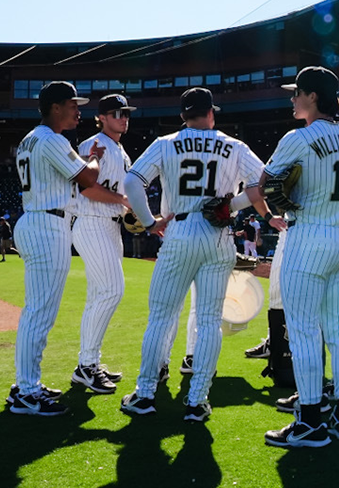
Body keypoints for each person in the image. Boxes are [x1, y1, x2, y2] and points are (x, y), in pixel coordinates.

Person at [120, 87, 269, 424]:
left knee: (161, 316)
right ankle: (198, 399)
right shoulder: (234, 145)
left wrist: (149, 223)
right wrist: (232, 204)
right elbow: (264, 184)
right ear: (211, 113)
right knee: (209, 321)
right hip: (218, 236)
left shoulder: (165, 143)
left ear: (183, 115)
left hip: (179, 230)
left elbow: (131, 183)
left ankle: (145, 394)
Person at [255, 67, 339, 448]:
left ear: (313, 97)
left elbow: (264, 184)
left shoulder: (298, 136)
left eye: (297, 93)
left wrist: (284, 200)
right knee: (338, 327)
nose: (293, 99)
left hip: (308, 233)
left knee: (303, 331)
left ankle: (309, 421)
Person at [9, 81, 119, 418]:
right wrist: (95, 159)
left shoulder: (31, 139)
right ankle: (26, 391)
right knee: (39, 313)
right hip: (47, 224)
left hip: (38, 219)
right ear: (56, 107)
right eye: (73, 104)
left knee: (38, 311)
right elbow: (88, 179)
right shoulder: (51, 138)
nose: (78, 110)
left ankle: (27, 385)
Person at [68, 94, 139, 395]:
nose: (123, 117)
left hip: (110, 227)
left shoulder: (121, 151)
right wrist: (123, 201)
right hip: (91, 221)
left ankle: (89, 362)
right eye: (116, 113)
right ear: (101, 118)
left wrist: (133, 210)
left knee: (98, 295)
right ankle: (86, 367)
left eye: (126, 112)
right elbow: (86, 190)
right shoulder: (92, 145)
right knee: (112, 290)